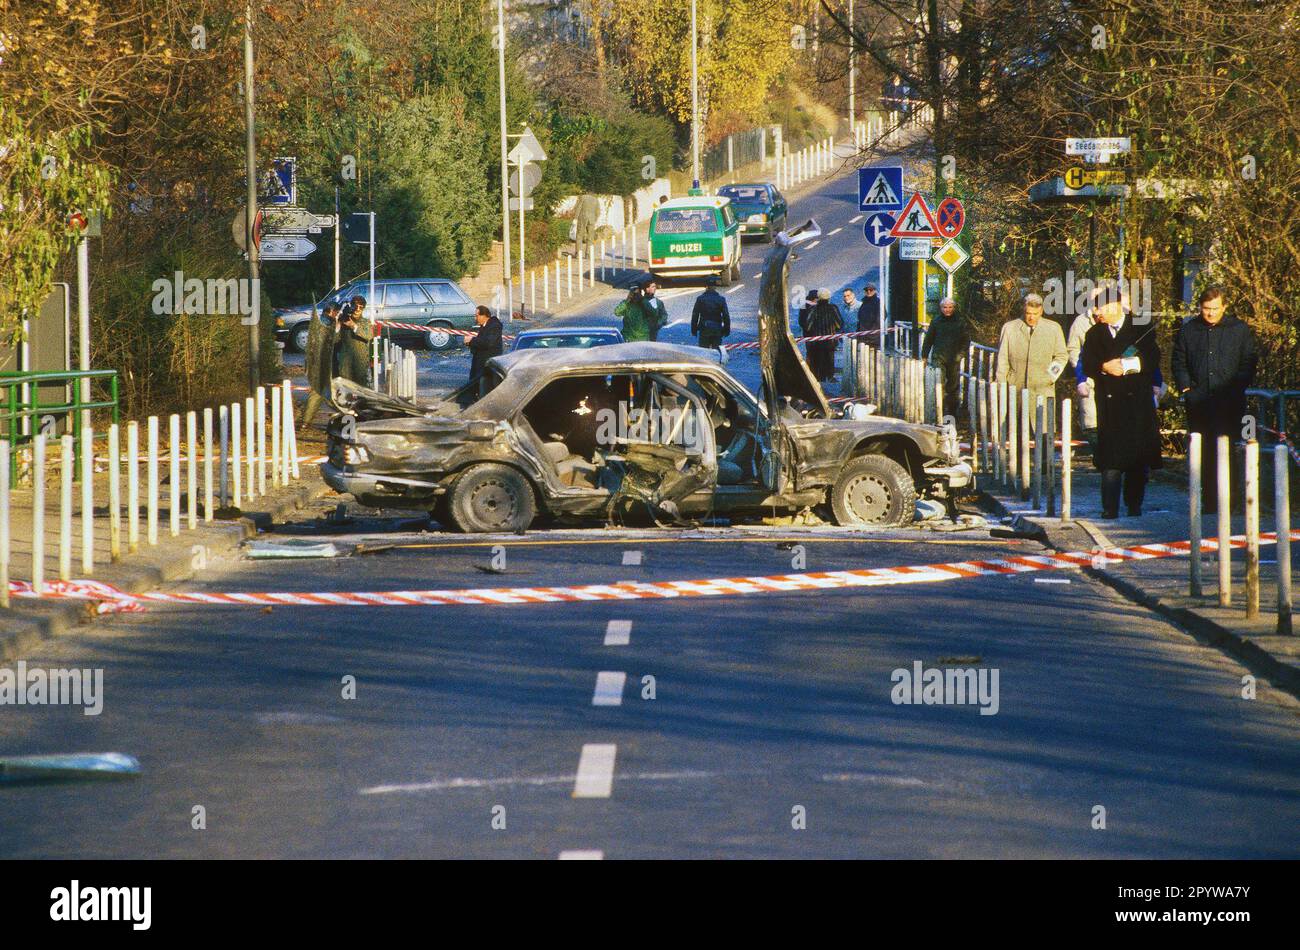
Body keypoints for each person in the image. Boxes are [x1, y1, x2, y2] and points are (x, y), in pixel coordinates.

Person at [1172, 286, 1259, 514]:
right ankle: (1210, 502)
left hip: (1229, 401)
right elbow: (1178, 361)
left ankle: (1230, 502)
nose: (1210, 313)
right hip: (1199, 402)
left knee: (1229, 449)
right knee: (1204, 452)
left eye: (1215, 309)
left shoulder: (1239, 330)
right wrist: (1187, 388)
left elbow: (1248, 361)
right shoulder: (1189, 330)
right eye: (1206, 309)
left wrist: (1236, 386)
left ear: (1224, 307)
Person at [1081, 294, 1163, 518]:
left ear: (1116, 306)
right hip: (1110, 404)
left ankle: (1134, 504)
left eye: (1102, 307)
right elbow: (1086, 364)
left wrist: (1126, 366)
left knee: (1137, 458)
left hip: (1137, 402)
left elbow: (1152, 358)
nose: (1098, 312)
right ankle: (1110, 508)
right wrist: (1104, 367)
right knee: (1111, 459)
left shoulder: (1140, 327)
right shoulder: (1094, 333)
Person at [995, 293, 1068, 414]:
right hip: (1015, 389)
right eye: (1028, 313)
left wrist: (1050, 376)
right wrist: (1001, 386)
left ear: (1042, 311)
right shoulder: (1009, 328)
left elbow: (1062, 356)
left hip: (1042, 389)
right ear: (1024, 310)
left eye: (1035, 314)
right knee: (1015, 429)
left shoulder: (1054, 328)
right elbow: (1002, 360)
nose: (1031, 317)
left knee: (1042, 428)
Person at [921, 297, 971, 414]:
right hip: (939, 358)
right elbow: (928, 340)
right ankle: (940, 411)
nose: (947, 310)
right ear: (941, 308)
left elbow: (966, 340)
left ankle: (952, 413)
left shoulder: (960, 322)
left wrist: (960, 355)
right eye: (945, 307)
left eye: (950, 307)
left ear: (954, 308)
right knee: (939, 385)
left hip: (954, 359)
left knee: (953, 388)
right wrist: (924, 356)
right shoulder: (936, 321)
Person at [1067, 294, 1102, 454]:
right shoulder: (1080, 322)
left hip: (1112, 377)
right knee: (1090, 420)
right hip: (1088, 378)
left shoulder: (1114, 320)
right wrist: (1081, 369)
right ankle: (1099, 454)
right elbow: (1073, 349)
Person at [302, 301, 341, 426]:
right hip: (324, 364)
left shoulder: (320, 321)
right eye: (337, 312)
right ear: (331, 311)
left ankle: (305, 422)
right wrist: (338, 327)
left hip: (318, 363)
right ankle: (347, 416)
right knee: (325, 392)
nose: (337, 315)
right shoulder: (327, 323)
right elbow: (332, 341)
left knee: (319, 392)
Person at [805, 289, 843, 382]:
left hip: (817, 341)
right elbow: (839, 323)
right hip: (831, 340)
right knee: (830, 358)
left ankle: (820, 378)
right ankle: (830, 376)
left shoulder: (813, 309)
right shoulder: (833, 308)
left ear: (818, 297)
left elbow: (808, 326)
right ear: (829, 297)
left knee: (819, 359)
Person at [335, 295, 373, 386]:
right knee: (345, 390)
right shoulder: (344, 321)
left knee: (361, 389)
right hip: (345, 363)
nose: (357, 309)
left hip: (360, 362)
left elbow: (368, 335)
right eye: (355, 306)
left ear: (363, 309)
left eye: (361, 307)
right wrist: (338, 324)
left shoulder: (366, 322)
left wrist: (353, 326)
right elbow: (334, 340)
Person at [690, 278, 731, 349]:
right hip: (717, 329)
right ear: (715, 287)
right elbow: (726, 316)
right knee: (717, 351)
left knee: (704, 352)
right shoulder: (721, 299)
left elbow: (695, 315)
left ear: (706, 287)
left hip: (704, 329)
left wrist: (694, 330)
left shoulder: (700, 299)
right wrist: (726, 330)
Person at [467, 304, 503, 383]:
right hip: (481, 361)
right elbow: (481, 341)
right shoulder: (484, 325)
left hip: (488, 363)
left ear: (484, 316)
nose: (475, 318)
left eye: (477, 316)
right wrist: (469, 343)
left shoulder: (494, 326)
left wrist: (471, 340)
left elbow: (488, 342)